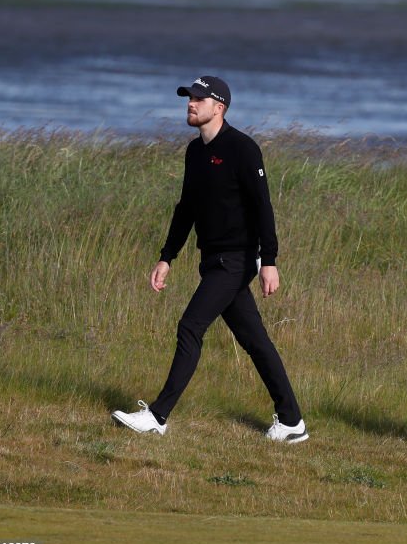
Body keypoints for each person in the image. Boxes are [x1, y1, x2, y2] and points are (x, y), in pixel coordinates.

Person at [112, 75, 307, 443]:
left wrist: (270, 261)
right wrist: (167, 257)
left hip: (236, 260)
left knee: (190, 326)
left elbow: (263, 207)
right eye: (189, 97)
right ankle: (292, 420)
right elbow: (186, 208)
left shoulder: (243, 149)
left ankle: (157, 415)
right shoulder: (194, 152)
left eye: (199, 99)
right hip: (212, 258)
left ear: (219, 108)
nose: (190, 103)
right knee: (255, 340)